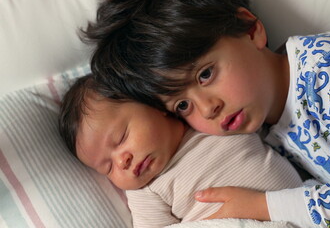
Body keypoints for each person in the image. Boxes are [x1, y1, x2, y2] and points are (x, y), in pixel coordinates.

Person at [82, 0, 330, 227]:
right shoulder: (264, 129)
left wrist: (264, 207)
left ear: (250, 29)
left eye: (206, 74)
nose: (209, 108)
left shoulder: (327, 68)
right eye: (183, 105)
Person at [58, 74, 303, 228]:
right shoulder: (146, 190)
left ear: (155, 106)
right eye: (107, 167)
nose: (122, 161)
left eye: (121, 138)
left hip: (302, 209)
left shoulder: (212, 120)